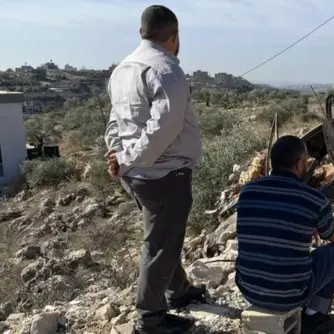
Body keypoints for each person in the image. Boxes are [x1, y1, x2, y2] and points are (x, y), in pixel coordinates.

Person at [104, 5, 205, 334]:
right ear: (175, 37)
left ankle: (178, 291)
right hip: (165, 175)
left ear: (141, 33)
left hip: (138, 177)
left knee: (166, 234)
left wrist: (119, 155)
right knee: (159, 243)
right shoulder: (167, 70)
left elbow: (114, 123)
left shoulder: (122, 70)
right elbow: (164, 128)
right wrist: (129, 157)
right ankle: (150, 320)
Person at [235, 135, 334, 334]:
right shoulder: (313, 199)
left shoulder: (247, 192)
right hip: (290, 295)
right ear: (299, 163)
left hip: (248, 290)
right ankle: (314, 314)